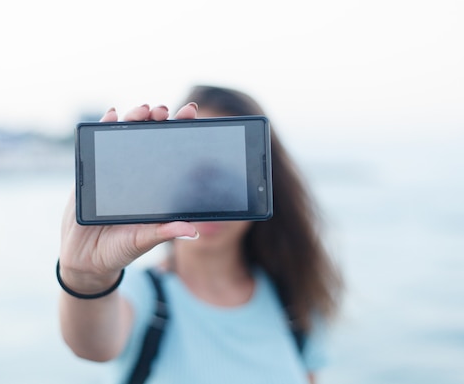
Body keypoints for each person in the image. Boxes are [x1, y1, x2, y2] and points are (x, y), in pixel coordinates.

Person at [58, 85, 344, 384]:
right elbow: (92, 345)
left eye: (226, 173)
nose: (208, 192)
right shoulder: (140, 292)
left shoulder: (294, 300)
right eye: (194, 169)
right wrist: (86, 279)